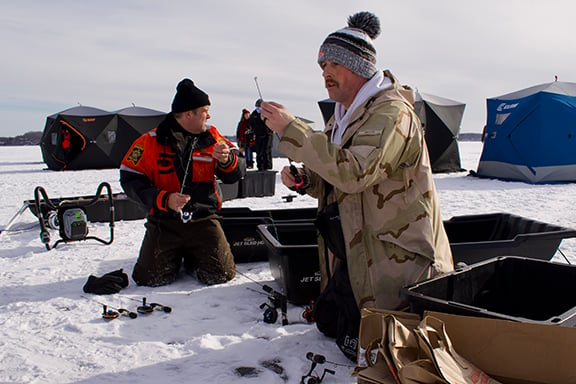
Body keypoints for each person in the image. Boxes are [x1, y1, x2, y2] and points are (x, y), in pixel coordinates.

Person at [260, 12, 454, 358]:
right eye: (322, 65)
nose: (324, 73)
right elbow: (338, 178)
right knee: (335, 326)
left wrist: (293, 130)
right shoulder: (344, 114)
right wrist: (308, 180)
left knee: (382, 348)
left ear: (358, 65)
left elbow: (357, 173)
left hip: (395, 257)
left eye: (333, 63)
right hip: (356, 249)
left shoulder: (392, 113)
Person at [120, 78, 246, 287]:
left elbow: (237, 171)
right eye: (205, 110)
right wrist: (164, 200)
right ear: (189, 114)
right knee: (149, 278)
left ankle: (193, 258)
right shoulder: (149, 142)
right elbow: (129, 179)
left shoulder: (213, 137)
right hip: (164, 222)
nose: (209, 115)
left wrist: (227, 160)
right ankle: (177, 256)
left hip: (203, 220)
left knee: (221, 275)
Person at [248, 99, 274, 170]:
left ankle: (267, 166)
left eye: (259, 106)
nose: (258, 108)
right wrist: (251, 131)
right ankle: (260, 166)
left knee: (266, 150)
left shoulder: (267, 114)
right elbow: (250, 124)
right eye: (257, 106)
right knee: (258, 151)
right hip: (258, 135)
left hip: (267, 134)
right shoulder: (254, 114)